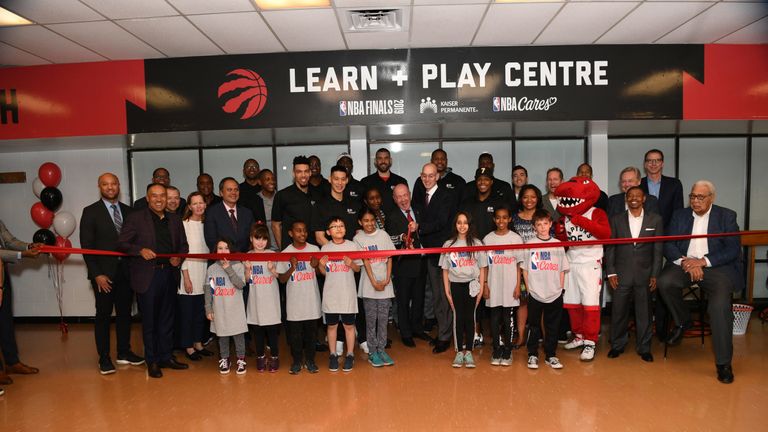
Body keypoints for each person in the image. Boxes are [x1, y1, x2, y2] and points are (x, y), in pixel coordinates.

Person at [657, 180, 742, 384]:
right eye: (692, 196)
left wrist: (703, 262)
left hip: (715, 268)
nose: (695, 201)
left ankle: (723, 363)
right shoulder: (680, 216)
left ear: (711, 198)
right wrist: (687, 262)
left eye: (700, 197)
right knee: (664, 282)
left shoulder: (727, 216)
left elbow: (732, 249)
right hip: (684, 264)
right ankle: (684, 321)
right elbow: (668, 244)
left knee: (720, 306)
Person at [118, 183, 189, 379]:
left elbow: (184, 245)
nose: (159, 199)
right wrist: (139, 250)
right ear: (148, 198)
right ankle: (152, 361)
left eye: (162, 196)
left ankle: (166, 357)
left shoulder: (175, 220)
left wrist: (179, 257)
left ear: (167, 198)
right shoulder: (135, 218)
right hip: (147, 276)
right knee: (149, 321)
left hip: (169, 274)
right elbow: (122, 243)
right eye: (154, 196)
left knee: (167, 320)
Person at [79, 173, 143, 374]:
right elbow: (86, 247)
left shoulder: (129, 211)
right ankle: (104, 358)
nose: (110, 187)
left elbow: (135, 243)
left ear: (118, 186)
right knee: (104, 316)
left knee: (125, 315)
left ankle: (124, 352)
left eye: (113, 183)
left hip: (126, 273)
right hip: (103, 276)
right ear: (99, 187)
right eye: (105, 184)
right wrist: (96, 274)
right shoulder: (90, 212)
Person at [605, 186, 663, 362]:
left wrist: (655, 274)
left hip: (645, 274)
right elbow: (610, 248)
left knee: (644, 312)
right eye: (630, 196)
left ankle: (644, 347)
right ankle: (617, 345)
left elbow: (658, 250)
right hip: (621, 274)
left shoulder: (655, 220)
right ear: (626, 199)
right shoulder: (616, 220)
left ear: (644, 198)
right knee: (618, 311)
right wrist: (611, 272)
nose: (634, 199)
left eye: (637, 196)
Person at [459, 167, 506, 346]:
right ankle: (476, 332)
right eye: (480, 179)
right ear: (475, 181)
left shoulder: (499, 202)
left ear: (491, 181)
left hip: (496, 255)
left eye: (486, 179)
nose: (483, 182)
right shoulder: (467, 203)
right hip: (474, 254)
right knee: (475, 294)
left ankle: (499, 333)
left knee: (497, 292)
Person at [414, 163, 455, 354]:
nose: (427, 179)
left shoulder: (446, 196)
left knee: (442, 296)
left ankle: (445, 337)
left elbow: (441, 222)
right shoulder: (421, 196)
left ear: (438, 176)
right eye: (424, 176)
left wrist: (419, 228)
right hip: (429, 253)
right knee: (436, 296)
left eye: (431, 176)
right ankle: (443, 332)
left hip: (442, 254)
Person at [523, 209, 569, 370]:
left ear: (550, 224)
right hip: (535, 292)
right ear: (534, 227)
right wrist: (530, 290)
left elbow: (562, 269)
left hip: (554, 293)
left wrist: (560, 289)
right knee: (534, 325)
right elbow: (525, 269)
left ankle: (551, 355)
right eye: (538, 224)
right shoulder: (529, 245)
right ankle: (532, 354)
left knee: (552, 326)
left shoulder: (557, 245)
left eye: (545, 223)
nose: (542, 227)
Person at [440, 211, 487, 368]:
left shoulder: (477, 244)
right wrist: (447, 290)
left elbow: (482, 267)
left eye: (465, 222)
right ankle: (459, 351)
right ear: (455, 225)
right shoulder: (448, 245)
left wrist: (481, 287)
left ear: (470, 224)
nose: (462, 225)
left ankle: (469, 352)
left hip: (472, 285)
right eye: (459, 222)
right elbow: (445, 270)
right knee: (458, 318)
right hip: (455, 285)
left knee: (470, 318)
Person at [0, 221, 43, 384]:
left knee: (5, 319)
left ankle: (12, 362)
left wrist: (29, 246)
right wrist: (22, 255)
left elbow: (10, 241)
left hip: (1, 274)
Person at [276, 221, 321, 375]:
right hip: (294, 302)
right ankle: (296, 361)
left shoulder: (314, 249)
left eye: (305, 231)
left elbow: (322, 273)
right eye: (298, 231)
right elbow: (281, 279)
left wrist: (316, 266)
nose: (302, 234)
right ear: (291, 233)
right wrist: (292, 267)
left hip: (311, 301)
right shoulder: (285, 253)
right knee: (295, 335)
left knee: (311, 334)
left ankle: (310, 360)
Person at [386, 184, 427, 348]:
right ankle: (406, 333)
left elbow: (426, 230)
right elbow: (390, 239)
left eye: (405, 195)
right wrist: (402, 237)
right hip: (403, 265)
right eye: (399, 197)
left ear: (409, 194)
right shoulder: (392, 216)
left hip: (421, 262)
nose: (403, 199)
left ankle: (417, 328)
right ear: (395, 199)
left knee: (419, 298)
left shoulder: (419, 211)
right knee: (403, 301)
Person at [318, 216, 361, 372]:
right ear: (328, 232)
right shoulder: (325, 249)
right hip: (331, 294)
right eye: (334, 226)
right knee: (332, 326)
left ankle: (350, 355)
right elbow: (324, 273)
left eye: (341, 225)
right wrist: (321, 266)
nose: (338, 228)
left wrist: (352, 264)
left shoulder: (352, 246)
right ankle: (333, 354)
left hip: (347, 293)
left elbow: (358, 269)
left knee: (349, 326)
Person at [483, 206, 525, 366]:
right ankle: (496, 349)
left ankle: (507, 350)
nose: (501, 220)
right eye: (498, 217)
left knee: (508, 319)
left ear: (509, 219)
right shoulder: (487, 239)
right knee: (494, 319)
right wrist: (485, 285)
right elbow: (485, 266)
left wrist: (517, 286)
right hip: (493, 285)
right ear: (494, 220)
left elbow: (519, 266)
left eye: (504, 217)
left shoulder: (515, 238)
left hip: (510, 286)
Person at [354, 208, 396, 367]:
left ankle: (382, 349)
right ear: (360, 222)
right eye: (366, 221)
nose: (369, 223)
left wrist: (387, 279)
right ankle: (372, 352)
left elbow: (390, 257)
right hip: (369, 286)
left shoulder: (383, 235)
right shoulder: (358, 239)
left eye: (372, 220)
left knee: (383, 319)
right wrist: (373, 282)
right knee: (371, 320)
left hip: (385, 284)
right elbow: (364, 261)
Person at [178, 192, 212, 361]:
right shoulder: (184, 225)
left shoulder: (208, 224)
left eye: (201, 203)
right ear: (189, 206)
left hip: (205, 273)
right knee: (188, 314)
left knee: (201, 312)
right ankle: (189, 347)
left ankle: (198, 343)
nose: (199, 206)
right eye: (195, 203)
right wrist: (186, 277)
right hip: (189, 273)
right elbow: (182, 252)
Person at [205, 238, 248, 375]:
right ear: (215, 251)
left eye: (226, 248)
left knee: (238, 335)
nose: (223, 251)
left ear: (231, 250)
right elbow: (209, 289)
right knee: (222, 336)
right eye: (220, 248)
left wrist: (228, 269)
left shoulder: (238, 265)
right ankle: (225, 359)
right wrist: (208, 308)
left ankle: (241, 359)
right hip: (219, 308)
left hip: (235, 309)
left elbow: (240, 285)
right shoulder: (211, 268)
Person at [511, 184, 546, 347]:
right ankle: (521, 337)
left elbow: (549, 242)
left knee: (542, 303)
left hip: (541, 268)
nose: (529, 200)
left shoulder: (543, 218)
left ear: (538, 198)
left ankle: (546, 338)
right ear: (520, 198)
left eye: (533, 197)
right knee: (523, 302)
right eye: (525, 196)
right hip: (519, 267)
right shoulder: (514, 218)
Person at [244, 225, 282, 373]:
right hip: (255, 301)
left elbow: (280, 276)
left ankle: (274, 356)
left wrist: (273, 270)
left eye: (264, 239)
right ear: (251, 239)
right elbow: (246, 280)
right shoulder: (248, 255)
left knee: (272, 332)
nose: (260, 242)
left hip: (270, 302)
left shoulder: (272, 254)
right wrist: (247, 270)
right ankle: (260, 357)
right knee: (258, 332)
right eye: (257, 238)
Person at [272, 156, 319, 250]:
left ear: (310, 173)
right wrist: (283, 250)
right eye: (299, 172)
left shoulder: (317, 194)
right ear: (294, 173)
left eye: (306, 171)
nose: (303, 175)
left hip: (313, 249)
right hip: (291, 251)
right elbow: (275, 225)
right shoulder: (282, 195)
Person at [312, 165, 361, 245]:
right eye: (336, 179)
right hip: (331, 255)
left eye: (343, 179)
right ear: (330, 179)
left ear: (347, 180)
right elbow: (319, 237)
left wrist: (352, 250)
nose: (340, 183)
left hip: (352, 253)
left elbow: (359, 232)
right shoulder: (320, 205)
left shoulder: (355, 204)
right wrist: (336, 252)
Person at [204, 177, 256, 253]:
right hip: (222, 260)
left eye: (236, 190)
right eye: (229, 190)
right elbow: (211, 241)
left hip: (245, 260)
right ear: (221, 193)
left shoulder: (247, 213)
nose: (233, 193)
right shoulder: (212, 212)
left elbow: (253, 238)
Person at [641, 149, 684, 229]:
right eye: (650, 161)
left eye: (657, 160)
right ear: (645, 164)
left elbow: (678, 212)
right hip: (643, 234)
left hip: (668, 233)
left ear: (662, 164)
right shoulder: (638, 184)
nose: (653, 164)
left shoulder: (675, 184)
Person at [413, 149, 465, 214]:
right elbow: (415, 205)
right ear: (431, 161)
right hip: (425, 222)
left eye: (443, 159)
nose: (440, 161)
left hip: (451, 223)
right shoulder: (421, 181)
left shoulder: (458, 181)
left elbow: (463, 206)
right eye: (436, 159)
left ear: (446, 161)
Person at [361, 148, 408, 216]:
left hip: (397, 223)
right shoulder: (366, 182)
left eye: (386, 158)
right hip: (375, 223)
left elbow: (407, 204)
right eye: (380, 158)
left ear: (390, 161)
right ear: (375, 161)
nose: (383, 161)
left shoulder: (401, 181)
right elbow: (363, 206)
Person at [257, 169, 278, 249]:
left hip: (280, 246)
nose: (271, 182)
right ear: (260, 182)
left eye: (273, 179)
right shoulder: (255, 200)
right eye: (267, 179)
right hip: (263, 247)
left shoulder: (281, 197)